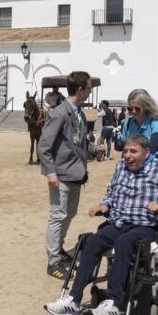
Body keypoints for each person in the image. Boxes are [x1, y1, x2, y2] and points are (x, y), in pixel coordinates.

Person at [43, 133, 158, 315]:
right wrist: (104, 205)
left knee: (124, 242)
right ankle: (73, 301)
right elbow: (112, 192)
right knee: (93, 240)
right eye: (125, 151)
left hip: (146, 224)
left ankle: (113, 303)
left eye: (133, 151)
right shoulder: (121, 166)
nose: (127, 156)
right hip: (119, 222)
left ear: (146, 153)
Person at [36, 71, 105, 280]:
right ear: (81, 90)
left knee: (69, 214)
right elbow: (44, 146)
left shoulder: (80, 114)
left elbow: (79, 142)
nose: (91, 92)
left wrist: (94, 149)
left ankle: (59, 248)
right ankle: (53, 261)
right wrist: (50, 173)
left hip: (76, 174)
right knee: (57, 216)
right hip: (61, 176)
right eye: (89, 88)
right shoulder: (58, 113)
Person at [120, 89, 158, 155]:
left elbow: (155, 139)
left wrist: (144, 159)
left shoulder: (155, 120)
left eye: (137, 109)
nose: (133, 111)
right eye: (130, 109)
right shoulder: (128, 122)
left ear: (146, 107)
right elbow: (124, 146)